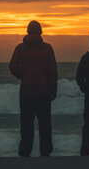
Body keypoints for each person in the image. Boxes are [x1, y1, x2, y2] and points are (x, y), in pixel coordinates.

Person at [9, 20, 57, 157]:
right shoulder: (47, 48)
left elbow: (12, 67)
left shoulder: (20, 48)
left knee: (26, 125)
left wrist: (22, 76)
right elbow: (52, 71)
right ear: (41, 32)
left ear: (28, 31)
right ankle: (45, 151)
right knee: (45, 125)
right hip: (43, 92)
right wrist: (53, 89)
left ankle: (25, 152)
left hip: (26, 92)